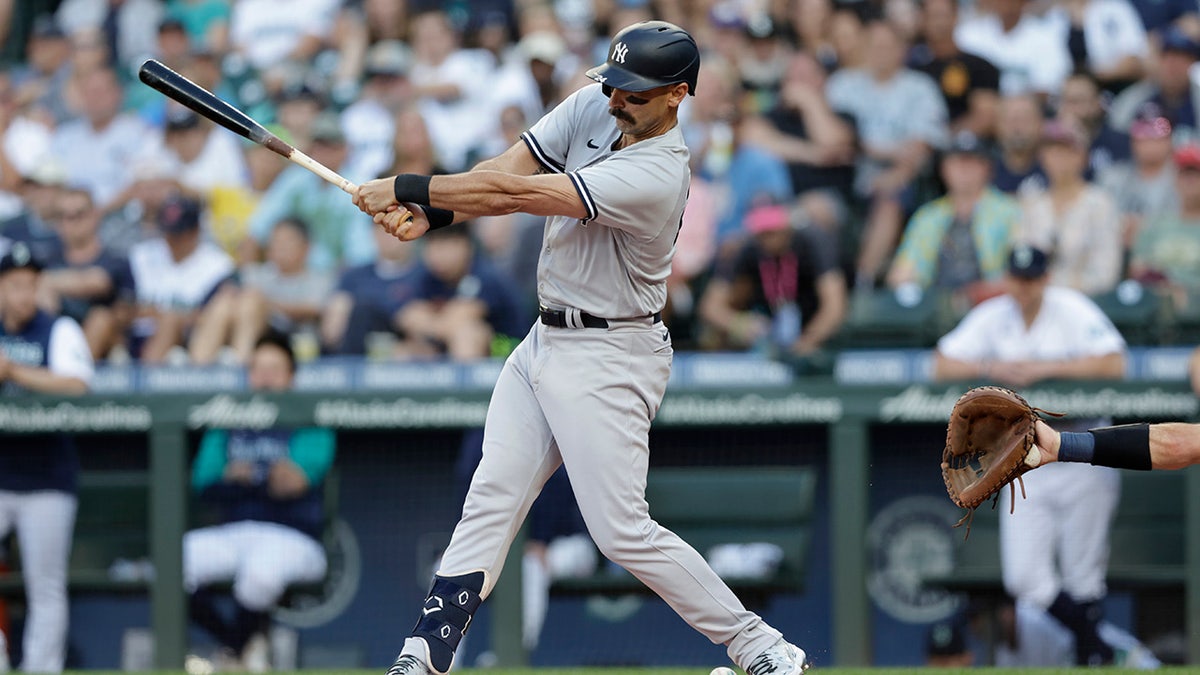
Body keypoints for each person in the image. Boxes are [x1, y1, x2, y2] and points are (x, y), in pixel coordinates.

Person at [353, 20, 811, 675]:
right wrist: (439, 213)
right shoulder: (597, 101)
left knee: (620, 528)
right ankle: (424, 654)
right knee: (492, 496)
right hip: (545, 339)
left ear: (679, 94)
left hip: (612, 351)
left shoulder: (659, 170)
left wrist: (411, 186)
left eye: (637, 92)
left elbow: (524, 195)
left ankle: (760, 644)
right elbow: (502, 171)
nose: (617, 100)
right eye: (616, 83)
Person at [933, 244, 1127, 666]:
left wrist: (1047, 369)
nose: (1023, 288)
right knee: (1024, 578)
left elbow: (1114, 362)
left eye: (1031, 279)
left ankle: (1091, 656)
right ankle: (1097, 644)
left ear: (1045, 278)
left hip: (1083, 449)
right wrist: (990, 366)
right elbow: (942, 362)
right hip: (1025, 457)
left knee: (1084, 575)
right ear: (1008, 279)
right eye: (1016, 279)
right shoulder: (994, 315)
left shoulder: (1071, 309)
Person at [184, 330, 335, 672]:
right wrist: (253, 476)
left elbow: (293, 482)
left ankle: (230, 654)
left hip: (293, 536)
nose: (265, 377)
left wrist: (243, 475)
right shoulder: (228, 418)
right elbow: (203, 481)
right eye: (258, 369)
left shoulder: (309, 418)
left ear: (291, 376)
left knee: (261, 575)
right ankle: (237, 646)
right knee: (172, 561)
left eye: (275, 369)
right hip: (233, 533)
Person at [0, 241, 94, 674]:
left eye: (29, 285)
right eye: (13, 285)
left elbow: (77, 384)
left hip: (47, 474)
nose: (22, 294)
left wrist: (15, 372)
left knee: (46, 584)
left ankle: (42, 669)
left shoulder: (58, 328)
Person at [886, 131, 1020, 305]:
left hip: (991, 304)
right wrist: (907, 283)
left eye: (972, 162)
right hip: (937, 308)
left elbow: (1021, 272)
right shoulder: (928, 216)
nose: (964, 169)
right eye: (957, 162)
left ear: (987, 168)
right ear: (944, 169)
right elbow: (902, 271)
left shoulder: (1010, 211)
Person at [697, 202, 847, 357]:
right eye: (761, 232)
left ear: (787, 227)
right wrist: (740, 324)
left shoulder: (813, 241)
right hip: (766, 329)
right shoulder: (747, 248)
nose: (766, 238)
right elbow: (710, 307)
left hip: (811, 325)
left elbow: (834, 307)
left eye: (772, 231)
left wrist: (807, 341)